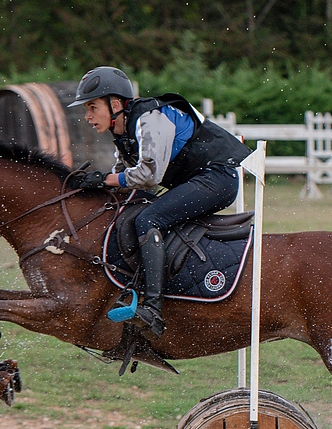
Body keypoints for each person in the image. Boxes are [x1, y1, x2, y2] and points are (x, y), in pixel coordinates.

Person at [68, 66, 251, 338]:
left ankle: (153, 308)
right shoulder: (122, 130)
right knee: (132, 211)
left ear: (115, 104)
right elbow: (125, 178)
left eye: (93, 107)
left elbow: (148, 176)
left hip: (219, 178)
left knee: (148, 219)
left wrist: (106, 180)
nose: (87, 116)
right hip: (198, 179)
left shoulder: (148, 120)